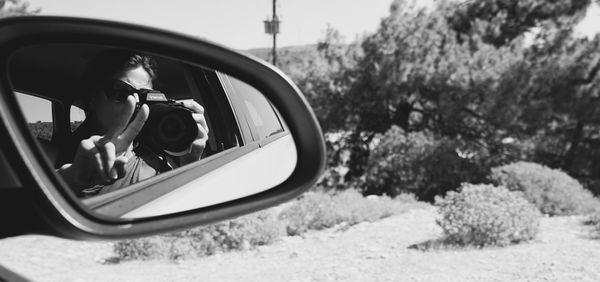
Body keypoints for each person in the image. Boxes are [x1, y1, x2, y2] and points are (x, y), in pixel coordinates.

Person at [56, 49, 209, 196]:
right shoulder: (73, 157)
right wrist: (73, 179)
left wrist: (190, 161)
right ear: (93, 98)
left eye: (145, 96)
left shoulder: (163, 146)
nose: (135, 103)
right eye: (122, 93)